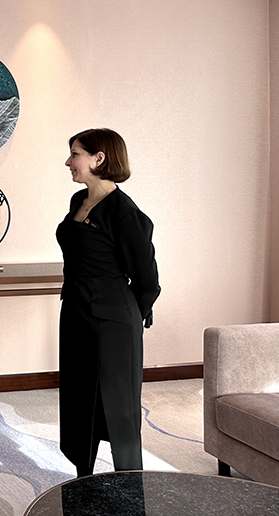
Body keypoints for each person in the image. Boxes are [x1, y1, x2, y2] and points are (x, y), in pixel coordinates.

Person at [57, 128, 160, 476]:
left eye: (75, 154)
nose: (68, 161)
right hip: (75, 314)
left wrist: (127, 321)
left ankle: (129, 487)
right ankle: (81, 481)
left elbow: (147, 281)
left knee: (120, 409)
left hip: (113, 321)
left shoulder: (124, 213)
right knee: (78, 399)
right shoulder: (78, 201)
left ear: (98, 158)